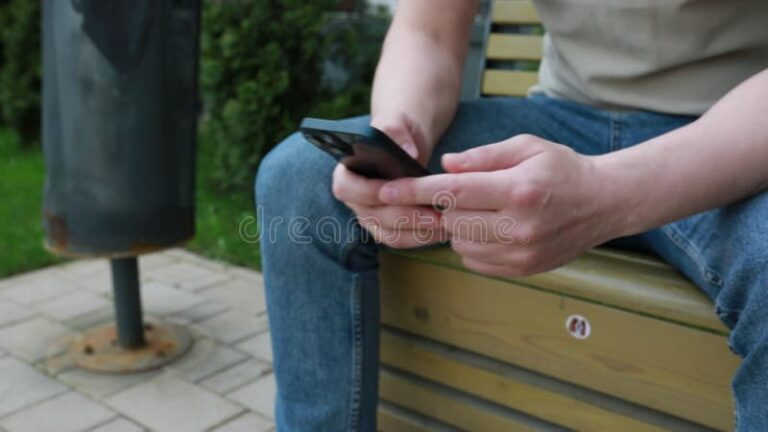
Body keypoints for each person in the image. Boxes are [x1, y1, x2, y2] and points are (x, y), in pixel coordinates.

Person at [256, 1, 768, 430]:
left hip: (736, 136)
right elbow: (427, 28)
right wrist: (400, 138)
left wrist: (609, 193)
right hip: (567, 116)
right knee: (297, 180)